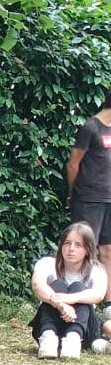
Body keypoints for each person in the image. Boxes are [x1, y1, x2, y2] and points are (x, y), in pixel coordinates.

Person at [30, 222, 108, 358]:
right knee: (57, 285)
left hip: (84, 329)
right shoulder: (47, 263)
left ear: (88, 249)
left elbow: (98, 294)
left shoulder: (96, 270)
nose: (71, 249)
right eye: (67, 243)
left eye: (78, 245)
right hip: (49, 323)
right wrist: (60, 304)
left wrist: (68, 298)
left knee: (79, 287)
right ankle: (48, 337)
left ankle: (73, 338)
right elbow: (38, 285)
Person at [65, 86, 111, 270]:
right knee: (83, 250)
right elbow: (72, 164)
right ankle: (79, 287)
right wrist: (73, 194)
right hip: (89, 199)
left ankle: (107, 291)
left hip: (109, 198)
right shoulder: (90, 128)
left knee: (108, 250)